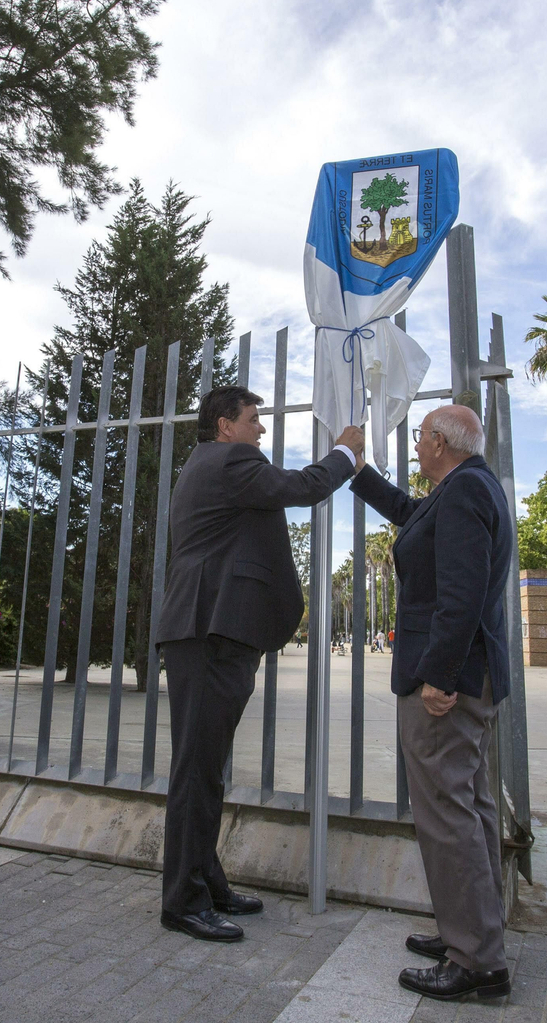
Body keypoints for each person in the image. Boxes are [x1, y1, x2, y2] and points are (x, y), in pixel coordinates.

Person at [155, 386, 363, 942]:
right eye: (253, 419)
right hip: (209, 630)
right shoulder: (230, 461)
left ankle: (207, 883)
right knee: (197, 770)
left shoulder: (210, 464)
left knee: (206, 766)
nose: (261, 429)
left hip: (212, 630)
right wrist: (344, 453)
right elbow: (300, 487)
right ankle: (183, 902)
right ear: (226, 426)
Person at [349, 404, 513, 1002]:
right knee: (469, 807)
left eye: (420, 437)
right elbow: (407, 512)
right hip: (470, 675)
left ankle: (477, 961)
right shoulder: (467, 486)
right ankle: (473, 929)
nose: (416, 445)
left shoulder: (465, 491)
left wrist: (439, 676)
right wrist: (357, 469)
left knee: (447, 816)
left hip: (449, 682)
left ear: (441, 443)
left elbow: (461, 593)